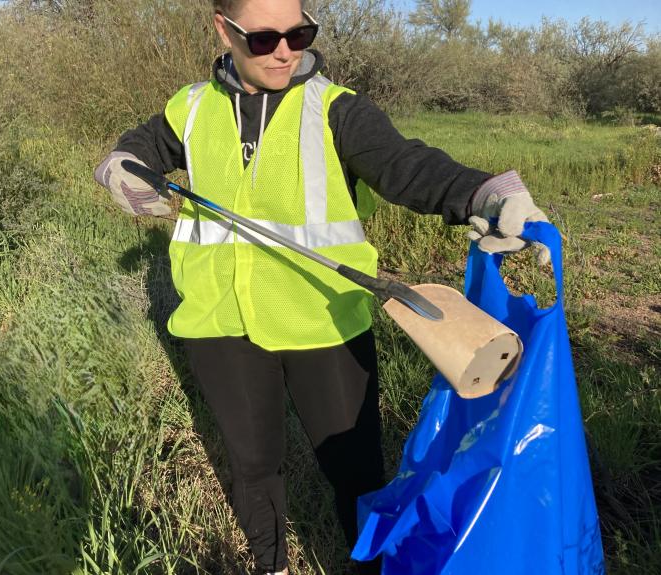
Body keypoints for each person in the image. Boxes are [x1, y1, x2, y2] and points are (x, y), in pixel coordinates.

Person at [94, 1, 549, 573]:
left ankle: (368, 567)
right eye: (263, 39)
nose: (285, 50)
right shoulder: (188, 108)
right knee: (253, 467)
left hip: (326, 321)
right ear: (224, 30)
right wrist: (118, 167)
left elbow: (407, 167)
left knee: (355, 473)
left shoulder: (337, 110)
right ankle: (272, 564)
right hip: (218, 323)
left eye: (299, 33)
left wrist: (488, 193)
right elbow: (138, 149)